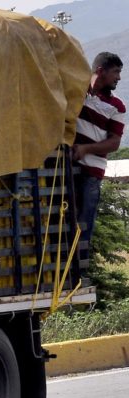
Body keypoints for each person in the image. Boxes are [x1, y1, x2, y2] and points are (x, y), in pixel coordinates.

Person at [73, 52, 125, 254]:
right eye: (116, 72)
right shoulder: (77, 89)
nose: (119, 78)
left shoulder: (117, 105)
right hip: (67, 166)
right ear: (100, 71)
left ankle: (80, 272)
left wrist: (85, 149)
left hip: (92, 173)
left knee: (84, 223)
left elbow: (114, 142)